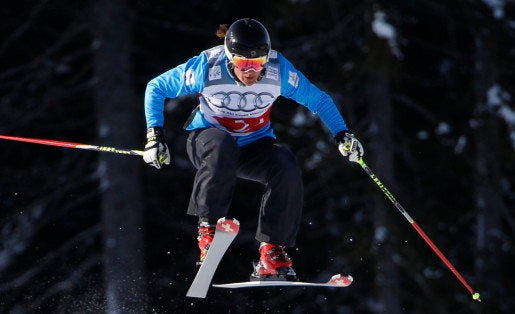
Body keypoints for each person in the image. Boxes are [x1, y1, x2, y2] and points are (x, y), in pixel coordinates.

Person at [142, 18, 364, 281]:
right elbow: (156, 87)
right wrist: (154, 135)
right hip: (207, 140)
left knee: (285, 164)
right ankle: (209, 229)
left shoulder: (278, 71)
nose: (250, 71)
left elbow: (319, 100)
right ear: (229, 57)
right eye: (243, 63)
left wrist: (342, 134)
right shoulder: (206, 67)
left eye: (257, 63)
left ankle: (271, 250)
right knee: (222, 145)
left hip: (252, 145)